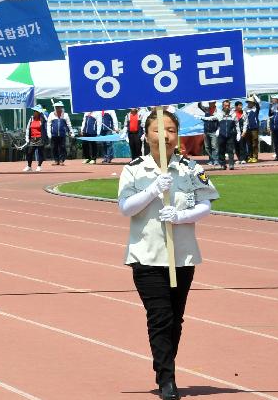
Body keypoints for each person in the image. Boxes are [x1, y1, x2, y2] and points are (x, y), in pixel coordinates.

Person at [117, 110, 219, 400]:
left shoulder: (189, 168)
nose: (166, 136)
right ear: (146, 135)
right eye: (158, 130)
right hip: (147, 255)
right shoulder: (134, 169)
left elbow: (206, 204)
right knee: (159, 317)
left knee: (176, 319)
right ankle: (167, 379)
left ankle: (165, 364)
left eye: (172, 130)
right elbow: (125, 208)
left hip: (182, 255)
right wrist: (152, 190)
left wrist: (181, 215)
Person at [215, 100, 239, 170]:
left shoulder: (233, 114)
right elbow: (214, 120)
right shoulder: (219, 113)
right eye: (225, 105)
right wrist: (218, 130)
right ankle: (222, 164)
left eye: (228, 105)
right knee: (221, 150)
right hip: (221, 134)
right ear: (223, 106)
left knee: (230, 150)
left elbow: (237, 124)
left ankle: (231, 164)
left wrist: (238, 133)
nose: (227, 107)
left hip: (230, 134)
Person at [47, 101, 72, 166]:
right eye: (56, 107)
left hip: (62, 134)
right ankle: (56, 160)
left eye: (59, 107)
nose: (57, 108)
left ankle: (61, 160)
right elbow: (48, 124)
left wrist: (71, 132)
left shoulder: (65, 115)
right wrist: (49, 133)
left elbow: (69, 124)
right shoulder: (51, 114)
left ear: (61, 107)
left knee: (62, 147)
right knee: (54, 147)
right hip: (54, 134)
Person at [23, 104, 47, 172]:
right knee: (29, 152)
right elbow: (28, 128)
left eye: (36, 111)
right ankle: (29, 166)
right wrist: (27, 138)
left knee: (40, 153)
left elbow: (46, 125)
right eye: (34, 111)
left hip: (40, 138)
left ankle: (39, 166)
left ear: (39, 112)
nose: (34, 112)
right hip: (32, 138)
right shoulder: (31, 118)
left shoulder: (43, 119)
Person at [197, 101, 219, 166]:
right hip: (206, 131)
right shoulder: (206, 109)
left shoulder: (217, 111)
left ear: (214, 103)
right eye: (209, 102)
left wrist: (218, 129)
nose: (209, 103)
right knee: (207, 147)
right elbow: (199, 106)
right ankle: (211, 160)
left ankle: (216, 160)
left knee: (214, 146)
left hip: (214, 131)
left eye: (211, 102)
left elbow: (219, 120)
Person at [242, 95, 260, 163]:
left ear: (253, 103)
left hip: (254, 128)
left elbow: (258, 102)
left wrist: (254, 96)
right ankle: (250, 156)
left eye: (251, 102)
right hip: (247, 128)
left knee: (254, 143)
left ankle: (255, 157)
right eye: (249, 102)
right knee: (248, 143)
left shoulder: (256, 108)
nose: (250, 103)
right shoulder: (245, 109)